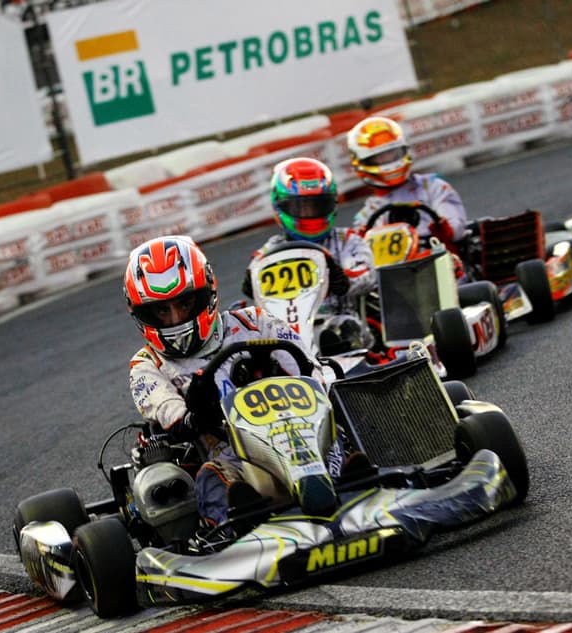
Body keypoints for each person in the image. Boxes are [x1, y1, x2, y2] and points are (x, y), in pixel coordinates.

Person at [124, 235, 347, 535]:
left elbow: (308, 370)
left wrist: (300, 381)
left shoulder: (256, 323)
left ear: (207, 293)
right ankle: (242, 529)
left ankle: (350, 483)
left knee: (335, 432)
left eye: (185, 304)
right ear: (142, 314)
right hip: (230, 457)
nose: (176, 318)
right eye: (162, 311)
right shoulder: (147, 364)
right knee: (210, 478)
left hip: (298, 434)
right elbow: (168, 412)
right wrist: (197, 413)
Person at [242, 157, 376, 355]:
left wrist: (342, 279)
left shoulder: (348, 240)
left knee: (342, 330)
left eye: (318, 206)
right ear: (280, 207)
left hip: (341, 324)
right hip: (287, 333)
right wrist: (251, 281)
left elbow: (368, 275)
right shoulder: (271, 251)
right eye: (301, 208)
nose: (310, 214)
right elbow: (254, 273)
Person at [347, 115, 468, 249]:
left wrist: (444, 230)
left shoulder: (433, 187)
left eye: (392, 153)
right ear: (363, 161)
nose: (388, 160)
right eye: (380, 157)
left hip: (442, 256)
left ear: (403, 150)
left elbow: (457, 229)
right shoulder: (368, 215)